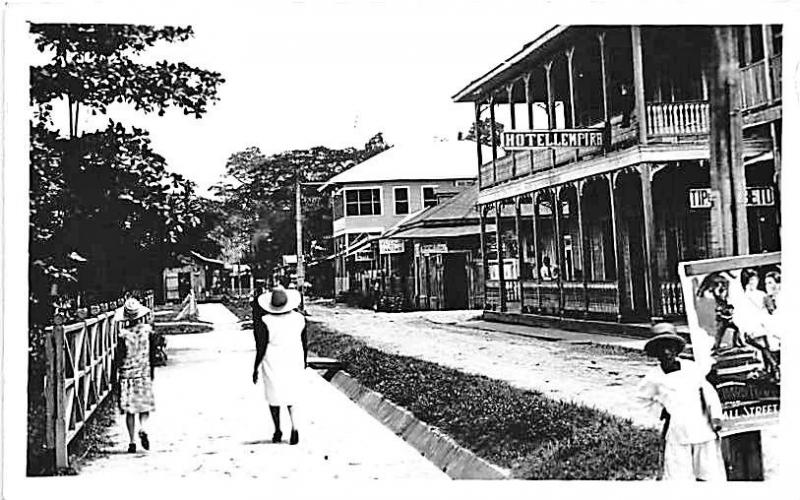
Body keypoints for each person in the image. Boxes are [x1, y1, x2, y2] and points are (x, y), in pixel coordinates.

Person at [638, 323, 726, 481]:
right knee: (678, 475)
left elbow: (708, 392)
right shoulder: (653, 378)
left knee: (708, 473)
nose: (666, 352)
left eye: (669, 347)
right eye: (661, 348)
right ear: (656, 353)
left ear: (676, 349)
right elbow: (642, 399)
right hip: (677, 432)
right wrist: (661, 411)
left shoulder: (691, 368)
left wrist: (716, 416)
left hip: (702, 427)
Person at [252, 286, 308, 445]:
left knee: (273, 395)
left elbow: (261, 346)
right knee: (292, 394)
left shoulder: (265, 321)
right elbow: (304, 343)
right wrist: (304, 360)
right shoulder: (299, 319)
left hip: (272, 359)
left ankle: (277, 430)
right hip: (293, 358)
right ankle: (295, 427)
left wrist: (255, 367)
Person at [115, 297, 157, 453]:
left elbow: (119, 357)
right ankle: (143, 427)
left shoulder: (123, 334)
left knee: (130, 410)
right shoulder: (148, 331)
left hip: (127, 375)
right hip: (143, 372)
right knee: (143, 407)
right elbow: (152, 354)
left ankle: (132, 442)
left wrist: (117, 375)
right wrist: (151, 371)